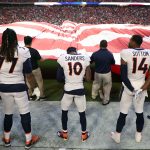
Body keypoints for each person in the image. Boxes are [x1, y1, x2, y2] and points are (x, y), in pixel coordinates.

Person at [0, 28, 40, 149]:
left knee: (8, 114)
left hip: (3, 87)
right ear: (15, 38)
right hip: (19, 87)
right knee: (24, 113)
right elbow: (28, 72)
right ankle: (28, 140)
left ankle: (6, 139)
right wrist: (35, 87)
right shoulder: (23, 51)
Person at [111, 35, 150, 143]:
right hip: (141, 87)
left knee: (123, 113)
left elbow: (123, 76)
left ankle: (117, 136)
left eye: (130, 40)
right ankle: (138, 136)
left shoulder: (126, 52)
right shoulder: (149, 53)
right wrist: (141, 90)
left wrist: (132, 90)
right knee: (139, 113)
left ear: (133, 41)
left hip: (129, 88)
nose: (129, 42)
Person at [57, 47, 91, 142]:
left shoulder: (63, 57)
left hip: (68, 90)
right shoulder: (84, 57)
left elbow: (59, 78)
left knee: (64, 113)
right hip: (80, 90)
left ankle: (65, 135)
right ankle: (84, 135)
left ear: (67, 53)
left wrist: (69, 80)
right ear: (76, 52)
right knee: (82, 114)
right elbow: (88, 79)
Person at [91, 40, 115, 105]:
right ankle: (105, 100)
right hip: (107, 73)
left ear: (100, 45)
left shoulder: (95, 53)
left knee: (96, 84)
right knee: (107, 87)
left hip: (97, 73)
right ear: (106, 45)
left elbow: (91, 61)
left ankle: (94, 95)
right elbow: (113, 63)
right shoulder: (110, 54)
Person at [24, 36, 46, 101]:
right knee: (40, 82)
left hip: (26, 70)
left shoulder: (21, 51)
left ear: (24, 42)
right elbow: (41, 60)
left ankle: (30, 95)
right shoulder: (34, 51)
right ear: (31, 42)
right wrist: (45, 58)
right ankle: (42, 96)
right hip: (35, 69)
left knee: (28, 82)